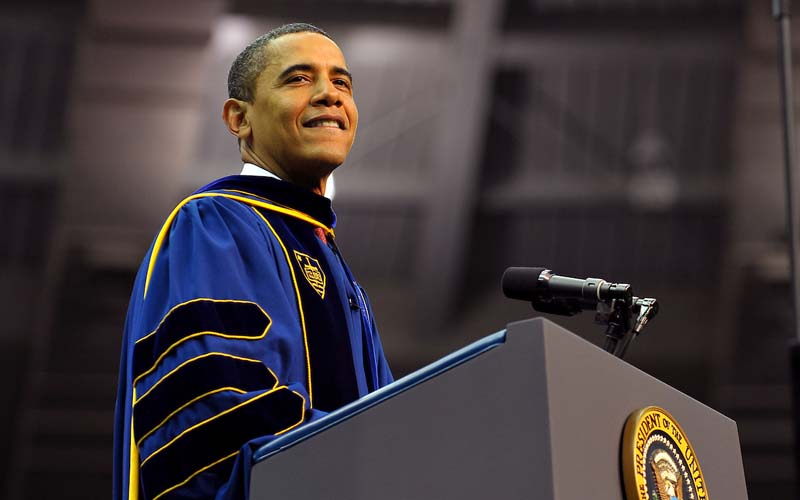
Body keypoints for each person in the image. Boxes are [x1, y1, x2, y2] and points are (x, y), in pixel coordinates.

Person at [113, 23, 393, 500]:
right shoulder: (215, 223)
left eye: (342, 83)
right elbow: (214, 406)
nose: (330, 95)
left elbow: (393, 425)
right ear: (238, 118)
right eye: (299, 79)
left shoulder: (332, 264)